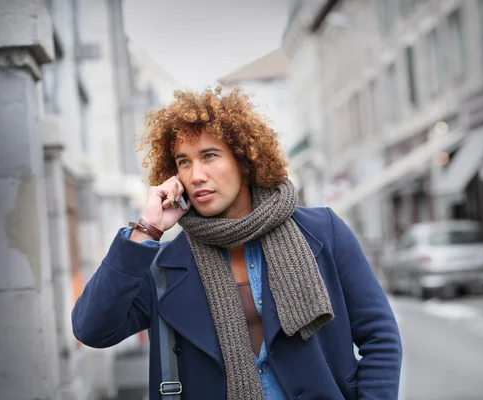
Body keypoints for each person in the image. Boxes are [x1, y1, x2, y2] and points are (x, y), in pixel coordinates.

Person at [72, 87, 402, 399]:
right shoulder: (165, 266)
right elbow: (92, 329)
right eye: (184, 161)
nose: (195, 174)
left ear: (244, 161)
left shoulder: (322, 232)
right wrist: (147, 230)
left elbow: (380, 337)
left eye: (209, 156)